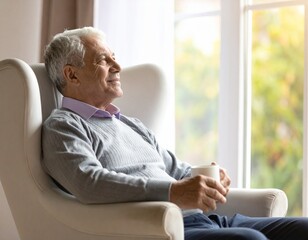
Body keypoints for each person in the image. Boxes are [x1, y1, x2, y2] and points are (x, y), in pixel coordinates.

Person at [42, 26, 308, 240]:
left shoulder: (130, 124)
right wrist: (173, 192)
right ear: (72, 75)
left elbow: (177, 171)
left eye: (115, 57)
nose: (117, 66)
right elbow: (90, 184)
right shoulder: (64, 126)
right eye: (103, 59)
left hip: (206, 220)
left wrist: (206, 180)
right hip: (161, 230)